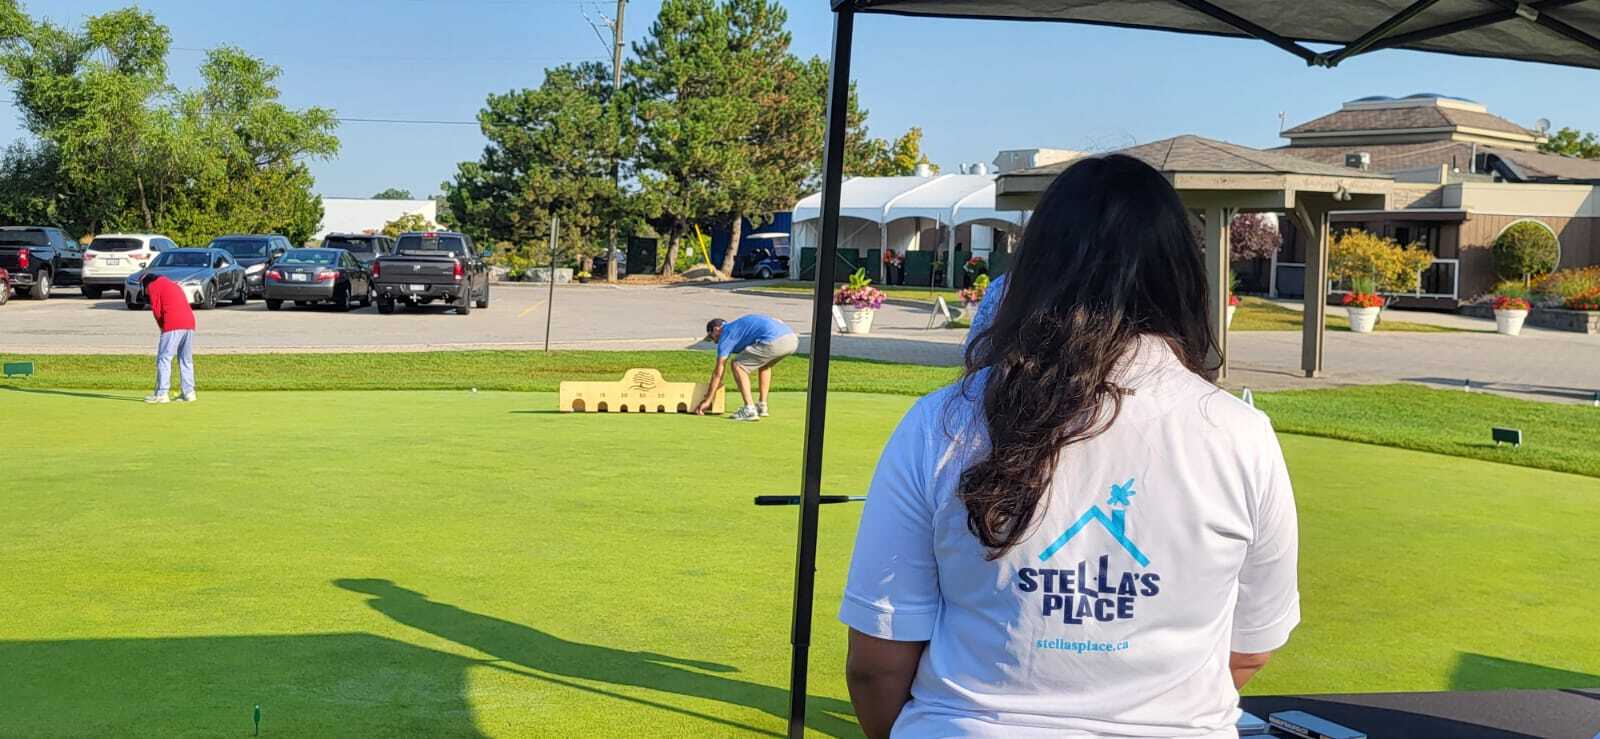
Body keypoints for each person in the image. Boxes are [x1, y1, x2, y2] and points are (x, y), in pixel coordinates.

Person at [839, 155, 1299, 738]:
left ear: (1035, 265)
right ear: (1183, 274)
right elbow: (1250, 648)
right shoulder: (1240, 434)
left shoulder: (940, 422)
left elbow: (877, 663)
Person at [695, 314, 798, 421]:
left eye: (712, 337)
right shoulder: (737, 327)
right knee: (765, 365)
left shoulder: (726, 335)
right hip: (791, 340)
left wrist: (708, 400)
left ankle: (749, 409)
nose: (714, 342)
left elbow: (718, 373)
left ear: (716, 329)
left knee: (738, 365)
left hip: (774, 340)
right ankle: (762, 406)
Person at [142, 273, 197, 404]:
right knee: (186, 359)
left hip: (173, 323)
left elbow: (156, 310)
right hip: (189, 323)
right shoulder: (173, 284)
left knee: (164, 358)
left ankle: (162, 394)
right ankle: (189, 393)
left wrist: (162, 326)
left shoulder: (153, 286)